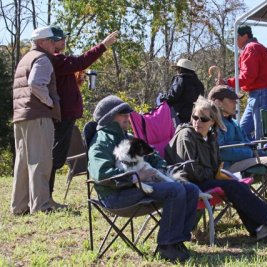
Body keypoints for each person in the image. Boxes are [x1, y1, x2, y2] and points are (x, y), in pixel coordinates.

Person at [165, 96, 267, 241]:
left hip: (204, 179)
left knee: (237, 185)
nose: (197, 121)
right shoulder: (186, 136)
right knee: (233, 187)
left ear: (212, 122)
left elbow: (215, 165)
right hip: (188, 183)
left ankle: (259, 229)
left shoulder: (210, 137)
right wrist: (214, 173)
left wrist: (218, 172)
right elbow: (191, 170)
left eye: (203, 119)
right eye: (195, 117)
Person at [88, 95, 198, 262]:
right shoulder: (101, 142)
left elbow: (152, 155)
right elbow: (101, 174)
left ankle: (178, 240)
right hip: (115, 195)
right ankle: (167, 246)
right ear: (110, 117)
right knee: (174, 191)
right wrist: (136, 177)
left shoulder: (128, 137)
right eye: (123, 113)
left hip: (138, 187)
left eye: (127, 113)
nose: (127, 116)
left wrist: (159, 169)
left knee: (191, 189)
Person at [49, 27, 119, 206]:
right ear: (51, 42)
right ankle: (46, 197)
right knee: (55, 157)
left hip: (66, 115)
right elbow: (81, 61)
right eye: (59, 39)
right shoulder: (56, 58)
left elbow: (65, 83)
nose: (63, 41)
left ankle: (46, 196)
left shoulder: (58, 60)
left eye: (64, 38)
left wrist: (75, 82)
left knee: (56, 157)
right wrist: (103, 46)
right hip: (62, 115)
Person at [208, 85, 267, 215]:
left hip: (244, 160)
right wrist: (249, 151)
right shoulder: (215, 123)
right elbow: (220, 151)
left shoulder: (233, 122)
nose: (236, 103)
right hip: (227, 168)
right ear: (218, 102)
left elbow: (248, 143)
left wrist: (265, 151)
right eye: (231, 100)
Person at [11, 26, 62, 215]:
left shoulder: (26, 58)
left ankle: (19, 206)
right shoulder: (42, 59)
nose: (55, 44)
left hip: (21, 116)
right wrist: (48, 102)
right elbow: (35, 83)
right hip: (38, 115)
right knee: (40, 161)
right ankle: (41, 205)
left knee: (23, 163)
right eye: (52, 40)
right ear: (42, 42)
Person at [220, 25, 267, 141]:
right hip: (261, 95)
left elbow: (248, 76)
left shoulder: (251, 49)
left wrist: (227, 82)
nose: (235, 41)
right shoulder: (263, 49)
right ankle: (251, 154)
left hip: (260, 95)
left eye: (236, 37)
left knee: (262, 135)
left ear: (245, 36)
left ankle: (265, 157)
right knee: (242, 131)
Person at [161, 58, 205, 123]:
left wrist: (162, 97)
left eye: (177, 69)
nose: (176, 71)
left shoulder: (180, 79)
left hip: (179, 115)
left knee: (177, 132)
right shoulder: (199, 83)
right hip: (194, 116)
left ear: (181, 69)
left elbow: (173, 95)